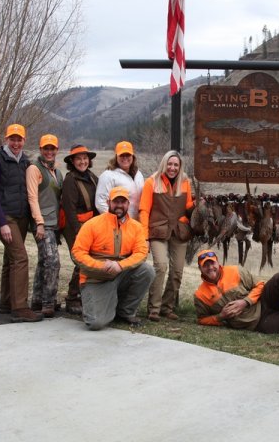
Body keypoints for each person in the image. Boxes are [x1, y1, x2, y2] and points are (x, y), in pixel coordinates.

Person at [71, 186, 154, 330]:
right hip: (96, 278)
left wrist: (120, 266)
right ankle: (100, 303)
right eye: (116, 202)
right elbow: (77, 253)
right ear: (109, 203)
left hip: (121, 273)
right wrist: (101, 266)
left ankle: (125, 311)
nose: (119, 205)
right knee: (95, 323)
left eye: (123, 202)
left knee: (147, 271)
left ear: (129, 204)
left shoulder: (136, 227)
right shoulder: (92, 224)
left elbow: (141, 253)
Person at [0, 123, 43, 322]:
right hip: (4, 216)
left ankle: (6, 303)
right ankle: (19, 308)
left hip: (20, 216)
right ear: (6, 139)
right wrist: (1, 222)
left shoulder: (25, 162)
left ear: (24, 140)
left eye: (19, 139)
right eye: (13, 139)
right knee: (20, 258)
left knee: (10, 258)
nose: (16, 142)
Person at [139, 150, 194, 322]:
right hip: (157, 230)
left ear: (180, 167)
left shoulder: (185, 182)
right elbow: (144, 210)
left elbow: (189, 206)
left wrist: (195, 210)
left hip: (179, 231)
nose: (172, 168)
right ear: (164, 163)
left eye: (176, 165)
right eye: (169, 164)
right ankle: (154, 308)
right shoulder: (151, 182)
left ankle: (167, 307)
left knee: (177, 271)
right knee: (160, 267)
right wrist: (144, 237)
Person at [26, 134, 63, 318]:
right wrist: (39, 223)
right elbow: (32, 197)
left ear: (57, 150)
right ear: (41, 149)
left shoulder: (57, 171)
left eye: (52, 148)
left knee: (44, 262)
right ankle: (49, 303)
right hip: (42, 224)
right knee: (53, 262)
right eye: (46, 148)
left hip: (54, 224)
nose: (49, 151)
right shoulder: (34, 169)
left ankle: (37, 300)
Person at [60, 144, 99, 315]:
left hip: (90, 225)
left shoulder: (92, 177)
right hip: (74, 225)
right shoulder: (70, 180)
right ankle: (72, 298)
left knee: (91, 261)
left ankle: (85, 295)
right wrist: (78, 231)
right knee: (81, 260)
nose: (82, 161)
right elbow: (69, 209)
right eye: (78, 159)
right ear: (72, 161)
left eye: (85, 158)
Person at [95, 141, 144, 219]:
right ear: (116, 157)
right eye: (122, 155)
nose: (125, 158)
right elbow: (100, 203)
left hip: (137, 223)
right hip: (119, 224)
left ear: (133, 156)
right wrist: (117, 220)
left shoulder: (138, 174)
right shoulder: (108, 175)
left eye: (128, 155)